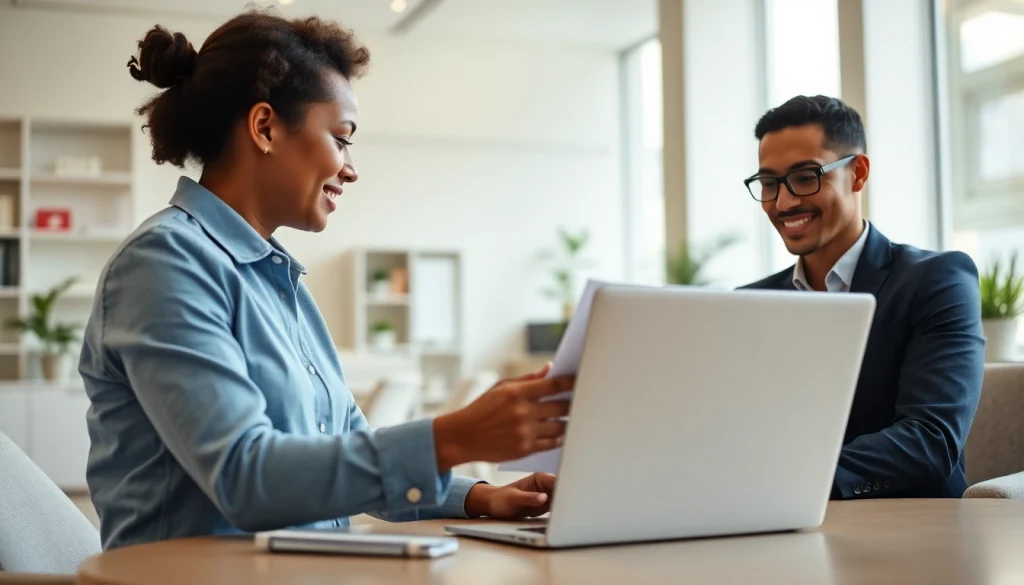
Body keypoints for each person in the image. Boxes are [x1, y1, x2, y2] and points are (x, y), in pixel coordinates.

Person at [79, 9, 573, 550]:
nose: (351, 168)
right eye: (342, 138)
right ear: (264, 127)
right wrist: (454, 437)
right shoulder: (164, 263)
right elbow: (247, 479)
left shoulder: (279, 279)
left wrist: (479, 496)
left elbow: (347, 451)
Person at [739, 95, 984, 499]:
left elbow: (930, 440)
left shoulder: (937, 280)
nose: (783, 203)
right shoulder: (749, 304)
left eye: (805, 177)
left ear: (857, 173)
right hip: (771, 523)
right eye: (769, 184)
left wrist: (787, 480)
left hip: (911, 531)